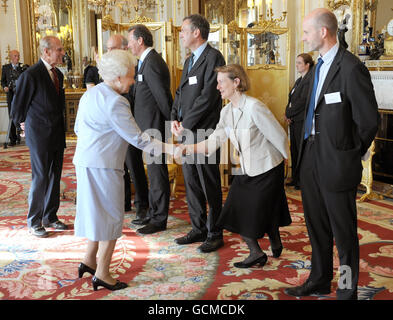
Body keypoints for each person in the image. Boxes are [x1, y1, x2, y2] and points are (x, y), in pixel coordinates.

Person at [284, 8, 379, 300]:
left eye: (306, 32)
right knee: (316, 226)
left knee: (344, 232)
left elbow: (369, 121)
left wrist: (349, 155)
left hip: (338, 163)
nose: (303, 38)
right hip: (311, 157)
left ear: (323, 32)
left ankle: (347, 289)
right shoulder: (316, 68)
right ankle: (319, 279)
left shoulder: (350, 68)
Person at [73, 49, 176, 291]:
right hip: (105, 166)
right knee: (110, 217)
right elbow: (139, 140)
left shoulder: (91, 94)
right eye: (131, 76)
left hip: (85, 161)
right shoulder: (116, 102)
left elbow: (78, 128)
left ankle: (88, 260)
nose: (132, 81)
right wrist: (172, 149)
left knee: (96, 213)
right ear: (118, 78)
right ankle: (102, 272)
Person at [176, 64, 291, 267]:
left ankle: (262, 247)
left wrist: (288, 165)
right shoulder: (226, 112)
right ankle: (267, 243)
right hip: (245, 168)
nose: (217, 87)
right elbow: (212, 143)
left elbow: (279, 136)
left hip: (267, 168)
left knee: (245, 213)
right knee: (237, 210)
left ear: (236, 82)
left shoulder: (254, 107)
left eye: (221, 82)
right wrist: (187, 148)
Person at [171, 14, 225, 253]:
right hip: (186, 130)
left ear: (196, 32)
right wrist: (174, 117)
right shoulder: (189, 59)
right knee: (191, 182)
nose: (180, 34)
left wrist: (187, 123)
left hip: (204, 132)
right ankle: (198, 228)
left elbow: (208, 97)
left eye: (183, 30)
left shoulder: (214, 57)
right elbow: (180, 93)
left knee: (209, 183)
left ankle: (215, 233)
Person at [11, 36, 68, 238]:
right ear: (46, 52)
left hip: (56, 134)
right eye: (59, 50)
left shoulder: (58, 75)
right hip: (39, 135)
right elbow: (17, 108)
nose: (62, 53)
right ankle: (34, 220)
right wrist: (22, 126)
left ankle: (50, 216)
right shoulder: (31, 75)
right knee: (41, 176)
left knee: (55, 176)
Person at [127, 24, 173, 234]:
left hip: (154, 126)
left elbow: (163, 98)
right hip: (145, 126)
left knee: (157, 173)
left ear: (140, 41)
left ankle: (158, 219)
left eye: (130, 41)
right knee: (154, 174)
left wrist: (171, 124)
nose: (128, 45)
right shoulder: (143, 62)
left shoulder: (153, 62)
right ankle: (153, 214)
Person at [284, 53, 314, 189]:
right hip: (294, 120)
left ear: (307, 65)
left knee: (301, 150)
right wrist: (287, 113)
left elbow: (302, 102)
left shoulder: (309, 80)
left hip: (302, 120)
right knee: (294, 149)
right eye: (296, 63)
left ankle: (302, 180)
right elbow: (291, 99)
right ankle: (295, 178)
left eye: (299, 63)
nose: (297, 65)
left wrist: (288, 113)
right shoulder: (299, 80)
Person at [1, 50, 28, 147]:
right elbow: (3, 81)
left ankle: (24, 136)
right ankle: (12, 139)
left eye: (18, 56)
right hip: (11, 95)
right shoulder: (5, 68)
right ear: (11, 57)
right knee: (11, 116)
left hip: (21, 95)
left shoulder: (23, 68)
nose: (17, 58)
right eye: (15, 56)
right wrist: (5, 87)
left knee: (23, 115)